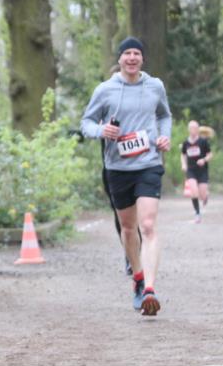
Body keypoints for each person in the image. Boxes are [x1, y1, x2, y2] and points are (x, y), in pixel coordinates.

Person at [81, 37, 172, 315]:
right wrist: (101, 131)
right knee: (129, 228)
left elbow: (164, 115)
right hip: (118, 167)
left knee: (148, 225)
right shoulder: (105, 90)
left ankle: (150, 290)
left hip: (148, 163)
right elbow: (86, 123)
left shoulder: (155, 86)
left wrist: (165, 135)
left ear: (142, 59)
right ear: (119, 59)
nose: (132, 58)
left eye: (137, 53)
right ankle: (138, 277)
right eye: (127, 53)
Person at [100, 64, 136, 276]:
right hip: (112, 170)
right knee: (120, 215)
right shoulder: (103, 105)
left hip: (138, 168)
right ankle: (129, 252)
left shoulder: (138, 107)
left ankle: (135, 255)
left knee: (138, 214)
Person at [180, 120, 213, 223]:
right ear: (188, 129)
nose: (193, 130)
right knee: (194, 192)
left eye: (195, 128)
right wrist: (184, 164)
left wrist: (204, 160)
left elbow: (210, 154)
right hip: (191, 170)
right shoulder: (186, 142)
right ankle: (197, 214)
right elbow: (183, 155)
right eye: (191, 128)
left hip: (202, 170)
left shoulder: (203, 141)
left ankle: (205, 196)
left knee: (202, 195)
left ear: (198, 129)